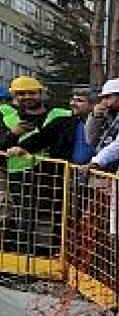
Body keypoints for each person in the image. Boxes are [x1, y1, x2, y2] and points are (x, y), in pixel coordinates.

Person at [1, 75, 76, 251]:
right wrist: (13, 133)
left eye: (31, 93)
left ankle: (51, 256)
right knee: (24, 218)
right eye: (21, 94)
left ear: (41, 93)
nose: (27, 97)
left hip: (53, 174)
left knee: (55, 216)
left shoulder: (61, 114)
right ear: (14, 96)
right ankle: (22, 260)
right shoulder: (7, 116)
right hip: (20, 174)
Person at [67, 87, 97, 165]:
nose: (73, 103)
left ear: (93, 105)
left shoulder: (100, 125)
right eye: (73, 100)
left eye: (79, 101)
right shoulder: (73, 122)